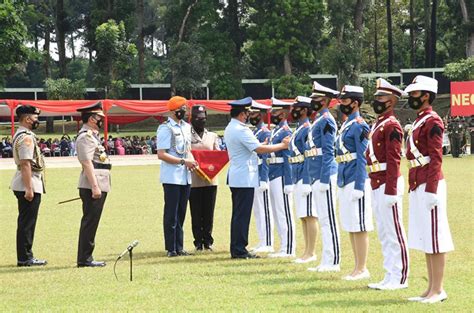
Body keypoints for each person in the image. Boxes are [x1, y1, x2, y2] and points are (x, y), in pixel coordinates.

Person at [404, 76, 454, 303]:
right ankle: (430, 288)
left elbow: (436, 157)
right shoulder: (419, 120)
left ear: (426, 95)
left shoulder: (433, 121)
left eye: (415, 94)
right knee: (427, 237)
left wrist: (432, 189)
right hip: (418, 180)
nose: (410, 97)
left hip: (429, 182)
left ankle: (439, 289)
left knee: (436, 237)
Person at [224, 97, 290, 259]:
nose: (248, 116)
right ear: (241, 115)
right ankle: (239, 249)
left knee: (239, 214)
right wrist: (282, 145)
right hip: (244, 176)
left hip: (238, 175)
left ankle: (237, 247)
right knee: (242, 215)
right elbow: (260, 149)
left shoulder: (231, 127)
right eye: (246, 113)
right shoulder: (241, 130)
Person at [366, 78, 409, 290]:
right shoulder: (379, 122)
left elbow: (394, 160)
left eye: (381, 97)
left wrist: (391, 189)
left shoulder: (392, 125)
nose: (377, 101)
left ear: (391, 101)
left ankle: (400, 277)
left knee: (394, 231)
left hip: (387, 182)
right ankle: (389, 273)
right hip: (376, 181)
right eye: (376, 97)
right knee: (384, 231)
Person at [336, 85, 373, 280]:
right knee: (351, 224)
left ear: (355, 103)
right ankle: (356, 266)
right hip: (344, 176)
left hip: (355, 178)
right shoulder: (346, 124)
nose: (341, 104)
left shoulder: (359, 125)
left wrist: (359, 185)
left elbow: (362, 157)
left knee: (359, 225)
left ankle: (362, 268)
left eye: (344, 100)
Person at [305, 82, 341, 273]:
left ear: (326, 101)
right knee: (323, 217)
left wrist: (325, 179)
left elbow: (328, 151)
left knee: (329, 219)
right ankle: (327, 258)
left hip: (324, 173)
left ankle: (333, 260)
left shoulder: (327, 120)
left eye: (316, 99)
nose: (313, 102)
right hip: (316, 173)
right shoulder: (318, 120)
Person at [157, 96, 197, 257]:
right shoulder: (165, 128)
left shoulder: (186, 127)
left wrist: (192, 160)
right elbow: (161, 154)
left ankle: (179, 246)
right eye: (183, 108)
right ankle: (171, 248)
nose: (186, 111)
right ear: (174, 111)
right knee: (171, 213)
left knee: (181, 212)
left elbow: (188, 150)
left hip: (185, 176)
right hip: (172, 176)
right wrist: (183, 161)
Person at [10, 105, 47, 267]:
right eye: (35, 117)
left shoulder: (22, 134)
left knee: (26, 222)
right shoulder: (26, 137)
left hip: (26, 181)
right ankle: (25, 257)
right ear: (27, 119)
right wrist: (29, 188)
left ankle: (25, 256)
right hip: (28, 182)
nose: (37, 120)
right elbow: (25, 164)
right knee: (27, 223)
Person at [75, 103, 111, 267]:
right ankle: (85, 258)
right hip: (93, 183)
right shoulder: (86, 136)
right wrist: (95, 186)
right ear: (91, 119)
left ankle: (86, 257)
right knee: (90, 221)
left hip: (99, 180)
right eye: (99, 118)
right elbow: (86, 162)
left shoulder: (92, 136)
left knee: (92, 221)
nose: (102, 120)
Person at [189, 105, 220, 252]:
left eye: (203, 118)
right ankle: (198, 242)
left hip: (210, 179)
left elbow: (218, 156)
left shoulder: (212, 136)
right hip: (194, 180)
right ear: (192, 119)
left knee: (209, 212)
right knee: (196, 212)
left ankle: (208, 241)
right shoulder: (187, 135)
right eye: (198, 118)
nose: (201, 121)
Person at [289, 96, 317, 264]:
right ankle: (306, 250)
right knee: (303, 215)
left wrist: (307, 180)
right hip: (297, 173)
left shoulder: (307, 128)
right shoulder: (299, 128)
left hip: (305, 174)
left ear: (305, 110)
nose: (294, 111)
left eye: (297, 108)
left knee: (310, 214)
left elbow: (309, 156)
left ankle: (311, 251)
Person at [267, 98, 295, 258]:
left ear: (283, 113)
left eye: (276, 111)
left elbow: (287, 158)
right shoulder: (276, 130)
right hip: (273, 172)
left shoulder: (285, 132)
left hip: (282, 174)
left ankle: (289, 247)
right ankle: (283, 245)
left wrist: (289, 181)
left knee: (284, 211)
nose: (273, 114)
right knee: (277, 212)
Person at [248, 99, 274, 253]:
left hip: (261, 175)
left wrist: (264, 178)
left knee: (264, 209)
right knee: (257, 210)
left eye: (254, 113)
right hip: (254, 175)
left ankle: (268, 241)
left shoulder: (265, 132)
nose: (251, 115)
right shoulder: (254, 132)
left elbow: (265, 157)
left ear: (261, 115)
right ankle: (262, 239)